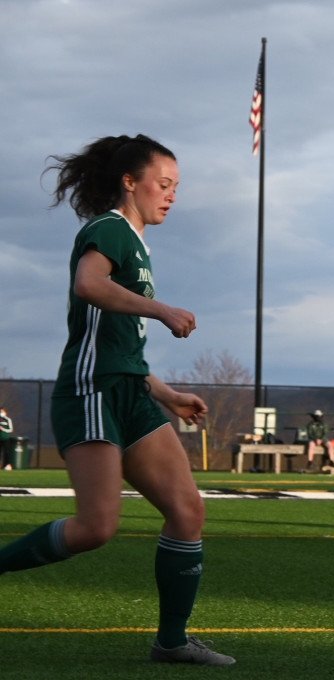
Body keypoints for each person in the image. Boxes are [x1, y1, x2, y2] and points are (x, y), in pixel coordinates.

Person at [0, 135, 233, 665]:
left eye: (177, 187)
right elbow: (88, 284)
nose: (172, 195)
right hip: (92, 392)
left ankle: (171, 642)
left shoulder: (139, 245)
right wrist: (163, 310)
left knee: (187, 511)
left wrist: (168, 394)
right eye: (164, 184)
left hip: (130, 390)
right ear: (130, 182)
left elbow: (123, 348)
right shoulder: (108, 229)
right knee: (97, 527)